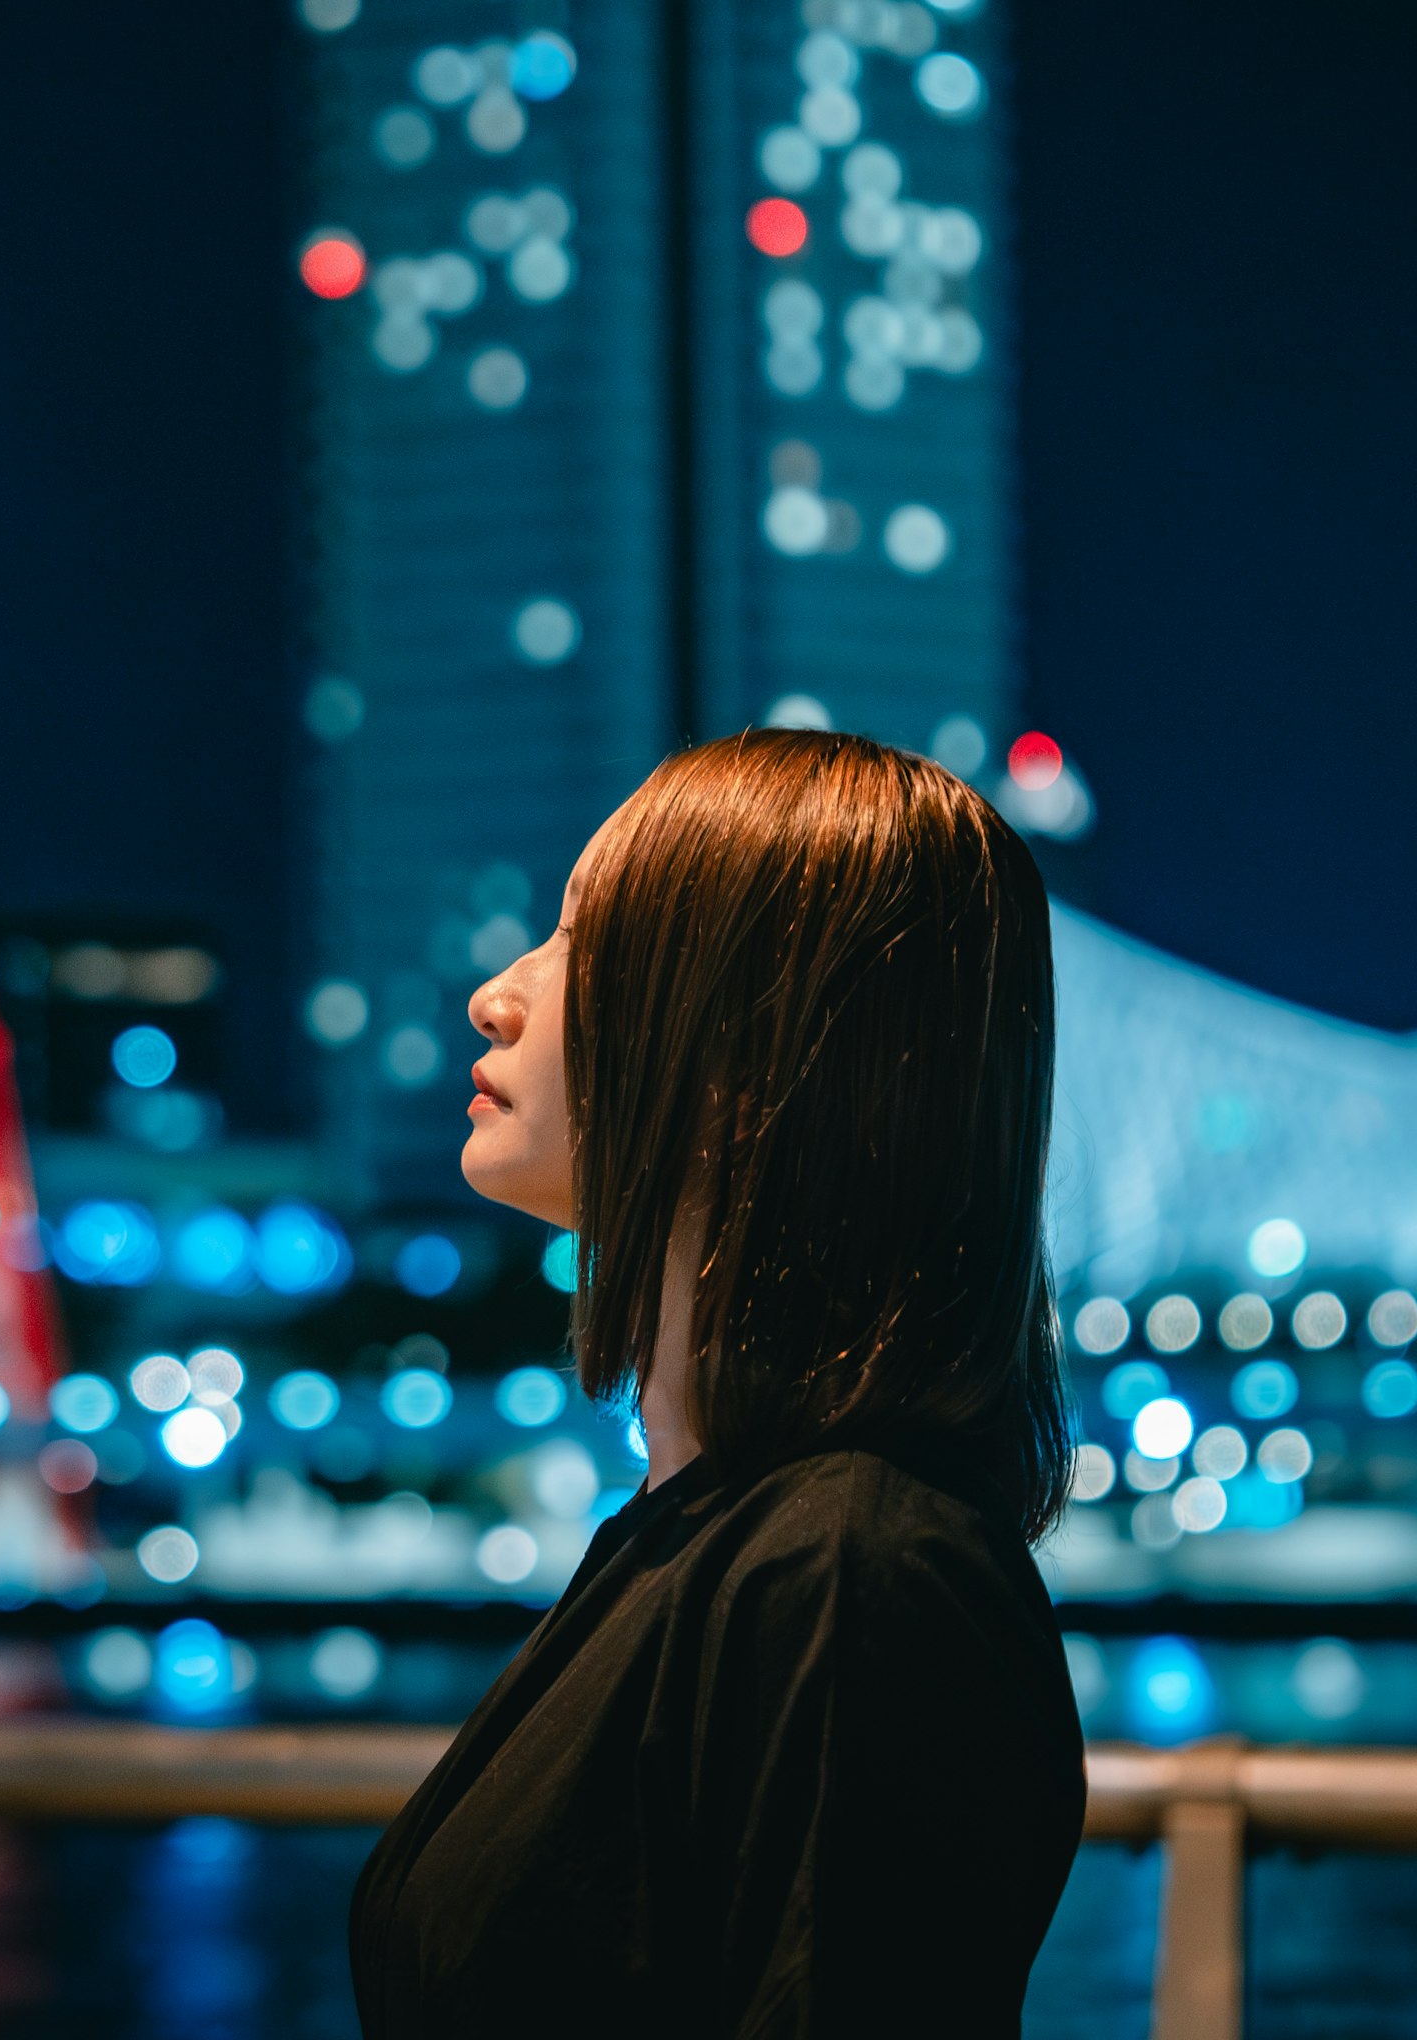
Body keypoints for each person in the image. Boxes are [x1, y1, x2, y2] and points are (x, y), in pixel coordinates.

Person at [349, 729, 1085, 2039]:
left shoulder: (856, 1571)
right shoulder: (695, 1533)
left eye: (582, 941)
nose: (497, 995)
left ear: (762, 1028)